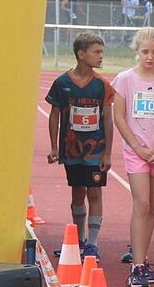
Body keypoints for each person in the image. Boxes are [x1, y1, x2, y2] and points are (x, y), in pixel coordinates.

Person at [111, 28, 154, 287]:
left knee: (152, 207)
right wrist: (137, 147)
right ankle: (136, 265)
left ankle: (143, 261)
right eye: (145, 52)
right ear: (136, 51)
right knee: (141, 204)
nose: (150, 57)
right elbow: (119, 117)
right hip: (136, 152)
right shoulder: (125, 79)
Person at [46, 32, 114, 261]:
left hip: (95, 150)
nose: (101, 56)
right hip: (71, 149)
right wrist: (54, 146)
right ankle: (79, 238)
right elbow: (54, 114)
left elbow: (107, 118)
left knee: (95, 191)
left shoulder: (102, 85)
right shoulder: (62, 83)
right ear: (81, 54)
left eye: (102, 52)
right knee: (77, 191)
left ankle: (92, 244)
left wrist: (107, 152)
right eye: (97, 52)